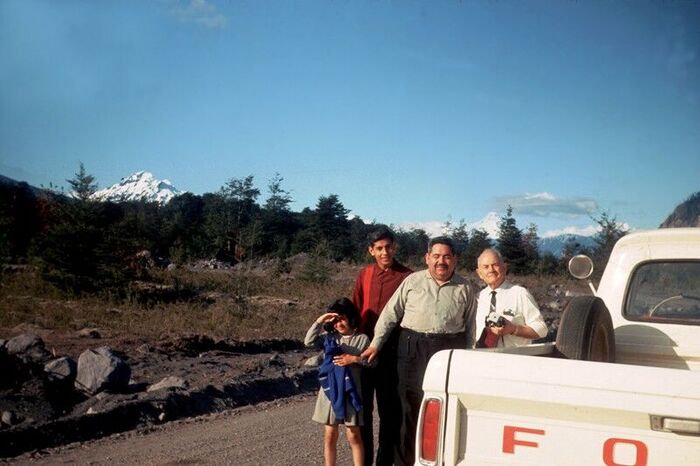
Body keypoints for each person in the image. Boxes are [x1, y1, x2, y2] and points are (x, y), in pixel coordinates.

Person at [361, 236, 477, 466]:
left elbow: (471, 327)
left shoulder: (465, 287)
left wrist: (470, 358)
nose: (441, 261)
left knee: (441, 408)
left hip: (447, 350)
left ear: (455, 260)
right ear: (427, 258)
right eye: (436, 256)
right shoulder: (412, 281)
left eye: (446, 256)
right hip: (411, 348)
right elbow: (389, 315)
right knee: (407, 409)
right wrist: (376, 344)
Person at [351, 226, 412, 466]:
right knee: (363, 414)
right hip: (364, 355)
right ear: (371, 251)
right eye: (379, 248)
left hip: (392, 355)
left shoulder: (407, 277)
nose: (385, 252)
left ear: (394, 247)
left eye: (388, 247)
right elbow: (354, 311)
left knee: (390, 414)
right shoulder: (364, 275)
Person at [305, 298, 370, 466]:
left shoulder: (362, 339)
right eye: (335, 320)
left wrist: (354, 359)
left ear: (351, 317)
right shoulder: (329, 338)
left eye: (342, 318)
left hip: (351, 391)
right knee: (329, 435)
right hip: (330, 391)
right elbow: (309, 341)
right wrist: (320, 320)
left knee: (353, 435)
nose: (339, 323)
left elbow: (373, 361)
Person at [474, 248, 548, 348]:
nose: (491, 270)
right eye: (486, 267)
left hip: (513, 358)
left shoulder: (520, 293)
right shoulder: (477, 298)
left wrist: (513, 329)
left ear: (504, 268)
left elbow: (542, 329)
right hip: (483, 359)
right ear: (479, 273)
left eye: (495, 265)